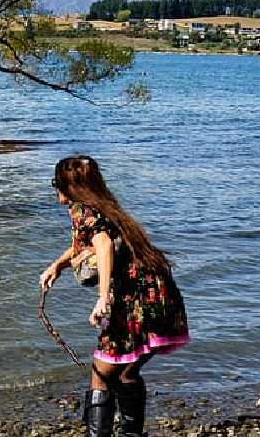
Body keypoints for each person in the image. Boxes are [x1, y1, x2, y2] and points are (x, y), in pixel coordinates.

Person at [38, 155, 190, 437]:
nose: (55, 189)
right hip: (158, 294)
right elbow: (92, 244)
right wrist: (57, 265)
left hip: (135, 300)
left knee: (101, 373)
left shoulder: (83, 210)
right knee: (126, 371)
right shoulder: (105, 208)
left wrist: (103, 298)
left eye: (55, 184)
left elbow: (104, 246)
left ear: (69, 187)